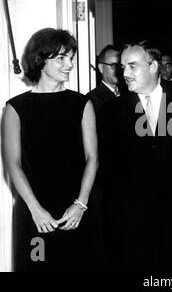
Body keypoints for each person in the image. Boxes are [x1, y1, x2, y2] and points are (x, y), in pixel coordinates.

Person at [2, 28, 98, 271]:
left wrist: (81, 204)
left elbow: (92, 158)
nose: (69, 65)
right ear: (41, 61)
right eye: (61, 58)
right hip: (34, 214)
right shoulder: (16, 108)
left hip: (75, 213)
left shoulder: (81, 104)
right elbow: (12, 164)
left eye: (70, 59)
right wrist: (35, 210)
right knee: (37, 267)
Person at [98, 40, 172, 271]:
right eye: (123, 67)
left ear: (153, 67)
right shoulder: (111, 111)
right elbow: (107, 171)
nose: (125, 73)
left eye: (133, 66)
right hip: (131, 223)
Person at [87, 45, 121, 114]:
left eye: (120, 65)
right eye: (113, 65)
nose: (117, 69)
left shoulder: (128, 92)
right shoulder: (92, 99)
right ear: (101, 68)